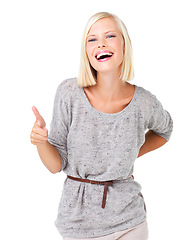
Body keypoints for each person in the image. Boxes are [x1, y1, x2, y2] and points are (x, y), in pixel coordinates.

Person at [30, 12, 173, 240]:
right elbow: (56, 165)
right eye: (92, 39)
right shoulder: (69, 93)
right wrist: (41, 142)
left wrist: (131, 152)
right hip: (78, 224)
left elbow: (165, 130)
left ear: (124, 46)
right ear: (86, 52)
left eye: (109, 36)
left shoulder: (143, 102)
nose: (101, 44)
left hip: (130, 221)